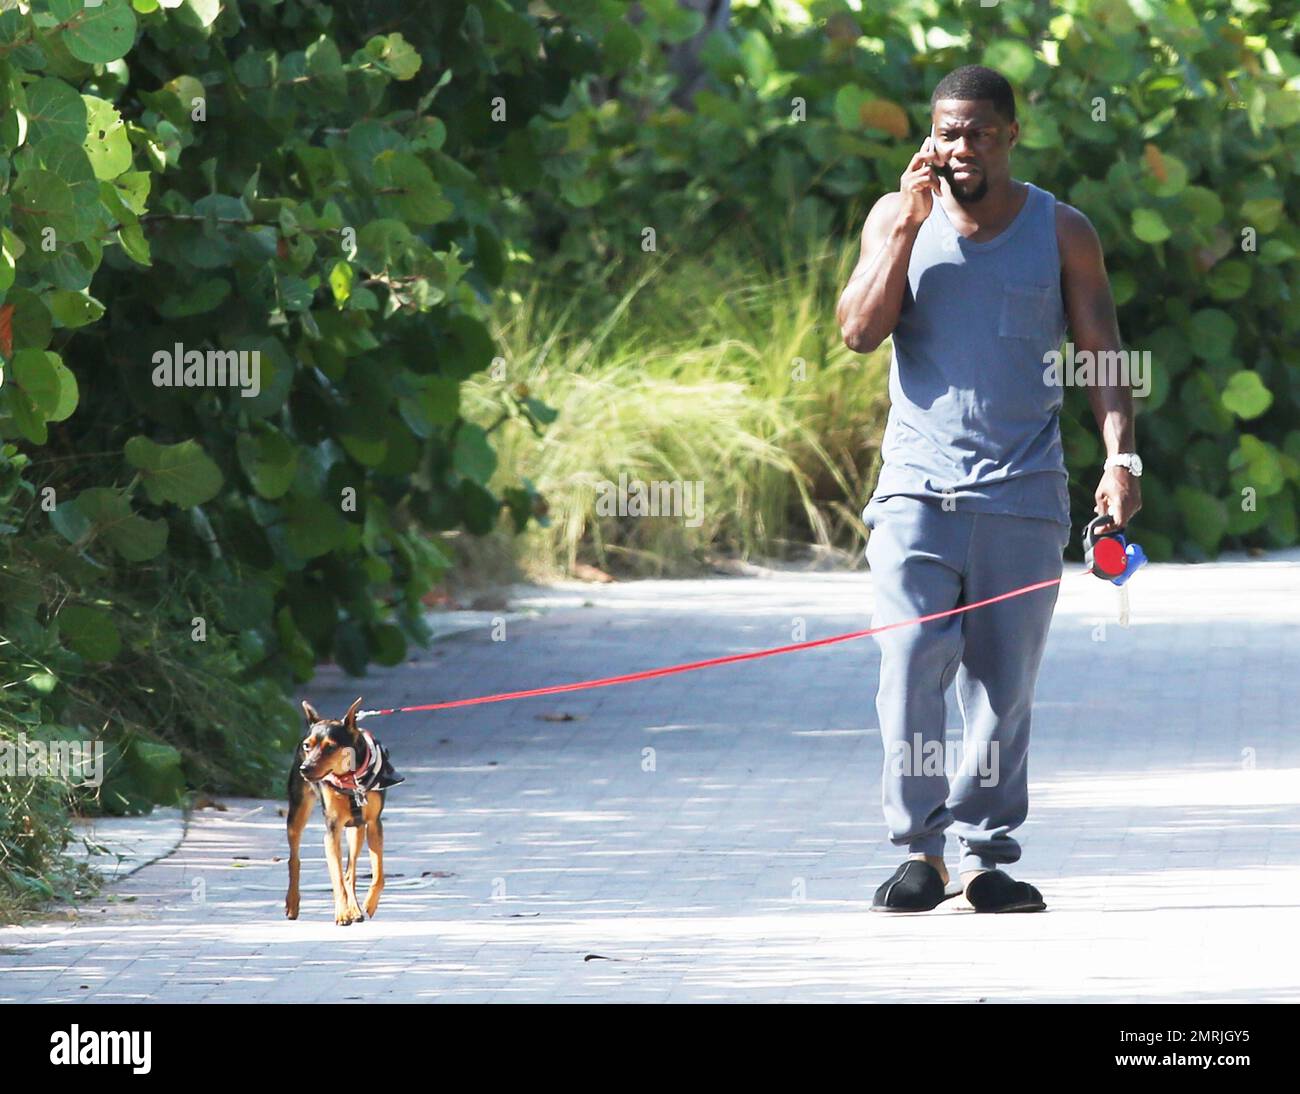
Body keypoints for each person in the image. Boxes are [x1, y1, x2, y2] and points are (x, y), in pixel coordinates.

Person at [836, 65, 1143, 913]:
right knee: (907, 663)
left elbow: (1104, 355)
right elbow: (859, 333)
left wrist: (1122, 462)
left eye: (975, 132)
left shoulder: (1062, 230)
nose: (958, 148)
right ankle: (919, 852)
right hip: (915, 495)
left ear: (1011, 134)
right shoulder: (895, 218)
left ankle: (984, 858)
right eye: (945, 132)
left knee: (1003, 685)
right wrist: (902, 231)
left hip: (1023, 492)